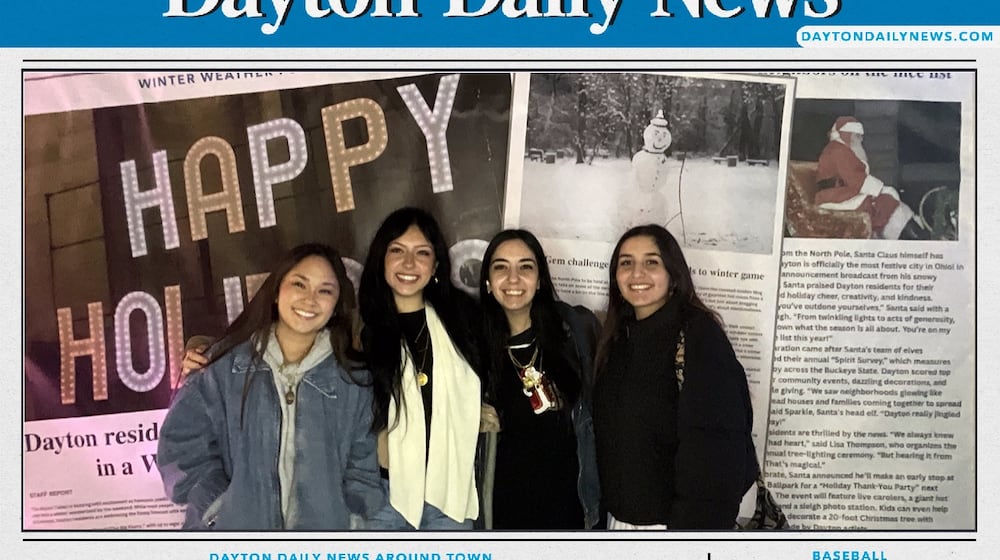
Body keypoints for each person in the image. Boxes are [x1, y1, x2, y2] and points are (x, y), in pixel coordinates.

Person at [157, 243, 384, 530]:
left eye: (325, 290)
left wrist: (351, 522)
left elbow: (362, 470)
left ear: (336, 304)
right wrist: (217, 509)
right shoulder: (222, 366)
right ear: (277, 291)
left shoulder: (354, 381)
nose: (310, 299)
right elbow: (180, 448)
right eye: (299, 284)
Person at [592, 225, 757, 530]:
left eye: (651, 262)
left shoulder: (698, 337)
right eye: (626, 263)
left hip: (673, 529)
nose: (637, 273)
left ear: (673, 274)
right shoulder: (616, 338)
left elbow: (717, 450)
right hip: (621, 522)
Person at [360, 207, 485, 530]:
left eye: (422, 252)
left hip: (448, 495)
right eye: (397, 251)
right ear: (381, 259)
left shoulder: (463, 320)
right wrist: (213, 351)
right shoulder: (360, 328)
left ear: (437, 264)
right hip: (384, 496)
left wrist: (479, 408)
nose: (409, 263)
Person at [478, 229, 602, 530]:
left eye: (525, 267)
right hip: (504, 514)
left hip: (571, 513)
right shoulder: (474, 347)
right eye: (500, 267)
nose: (513, 278)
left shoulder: (575, 333)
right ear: (487, 282)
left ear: (540, 279)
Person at [815, 116, 929, 240]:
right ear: (849, 135)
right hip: (835, 197)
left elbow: (857, 177)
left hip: (845, 193)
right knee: (884, 204)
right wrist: (880, 189)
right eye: (858, 136)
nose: (861, 139)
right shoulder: (838, 150)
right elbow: (857, 180)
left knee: (886, 198)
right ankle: (915, 239)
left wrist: (882, 189)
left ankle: (915, 234)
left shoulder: (842, 149)